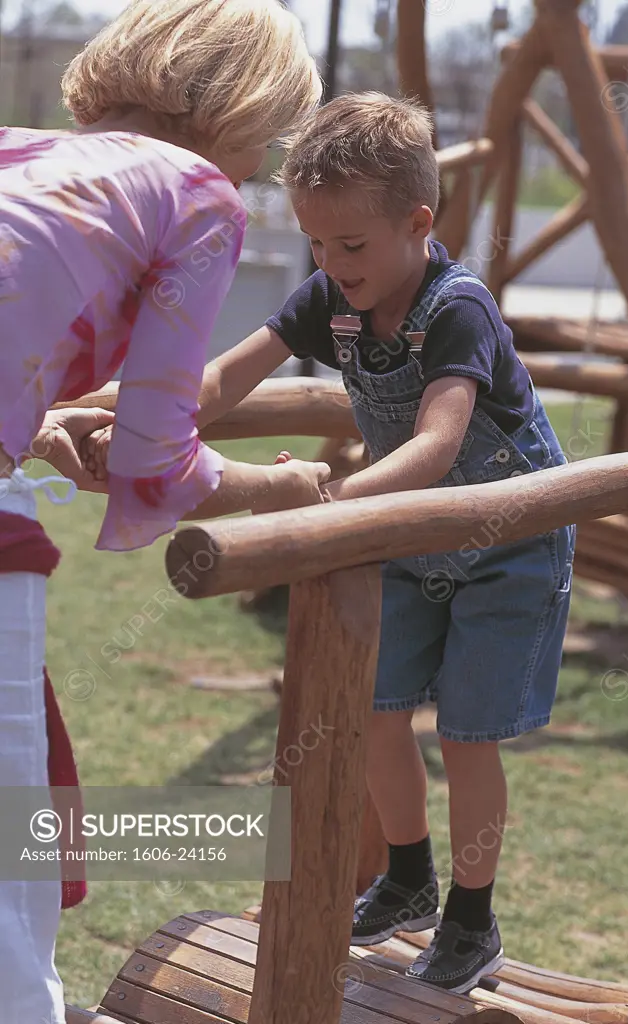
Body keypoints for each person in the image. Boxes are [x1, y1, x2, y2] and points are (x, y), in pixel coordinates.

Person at [84, 91, 577, 994]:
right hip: (410, 536)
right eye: (315, 242)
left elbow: (434, 446)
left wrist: (328, 500)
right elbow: (227, 377)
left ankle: (473, 920)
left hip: (508, 541)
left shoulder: (454, 309)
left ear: (417, 224)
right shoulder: (332, 298)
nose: (329, 262)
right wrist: (114, 411)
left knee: (468, 734)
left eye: (349, 245)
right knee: (376, 708)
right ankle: (408, 876)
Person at [0, 2, 329, 1021]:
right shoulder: (199, 194)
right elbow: (157, 449)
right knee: (15, 831)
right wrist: (282, 488)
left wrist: (38, 415)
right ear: (250, 108)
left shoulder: (18, 150)